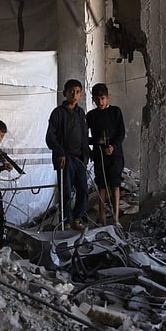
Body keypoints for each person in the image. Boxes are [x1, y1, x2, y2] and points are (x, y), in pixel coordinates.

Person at [45, 79, 91, 230]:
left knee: (83, 189)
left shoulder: (80, 113)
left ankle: (77, 219)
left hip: (80, 158)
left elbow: (84, 135)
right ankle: (66, 222)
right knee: (66, 191)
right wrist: (60, 153)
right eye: (71, 91)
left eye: (77, 92)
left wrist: (87, 153)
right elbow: (50, 137)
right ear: (65, 93)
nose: (74, 95)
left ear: (81, 94)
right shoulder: (58, 113)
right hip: (65, 158)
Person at [85, 83, 125, 225]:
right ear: (93, 99)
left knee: (115, 184)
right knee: (101, 185)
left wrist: (114, 146)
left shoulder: (115, 112)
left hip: (115, 155)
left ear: (108, 97)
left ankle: (116, 218)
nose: (100, 102)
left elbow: (121, 133)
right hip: (99, 155)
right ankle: (102, 217)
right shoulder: (90, 116)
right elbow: (83, 136)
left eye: (102, 98)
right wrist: (94, 144)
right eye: (97, 99)